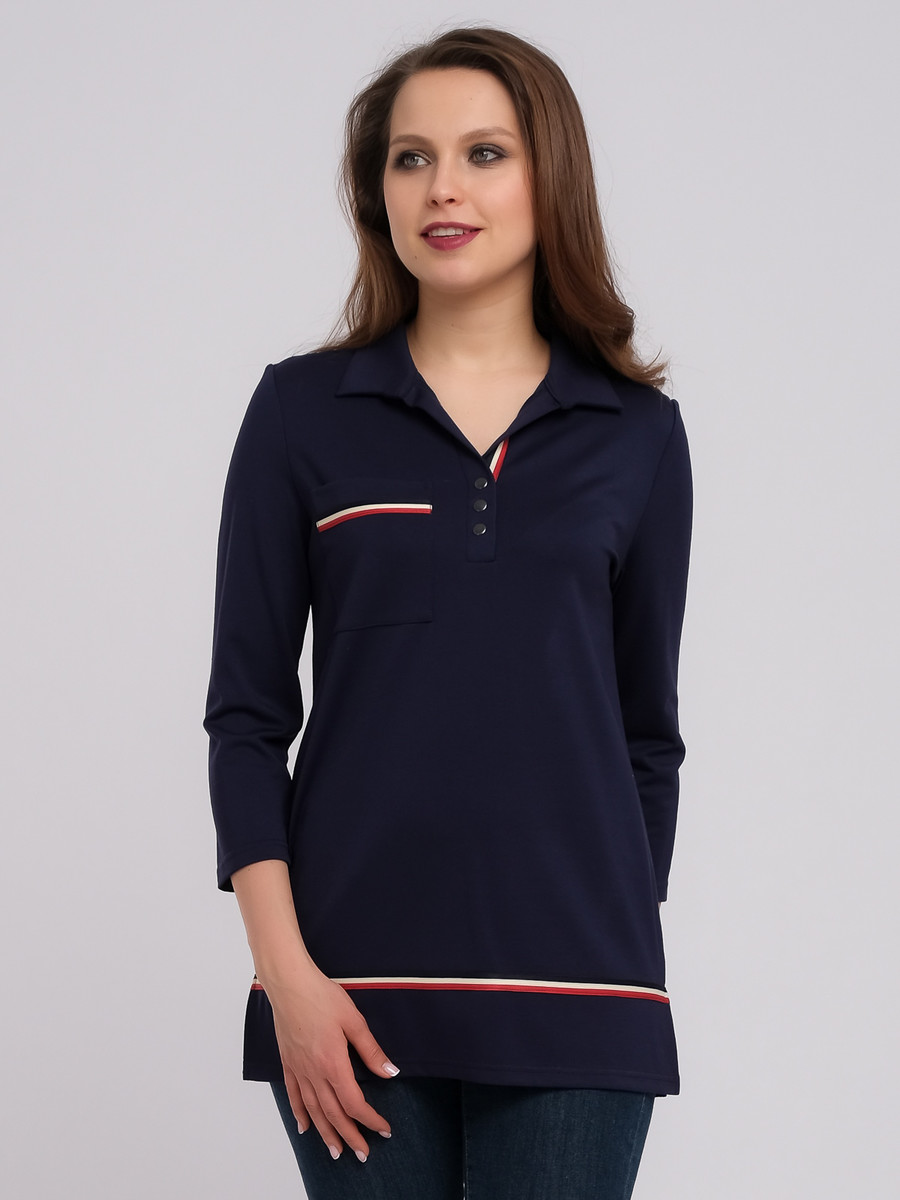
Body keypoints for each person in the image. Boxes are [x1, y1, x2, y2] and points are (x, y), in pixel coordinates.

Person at [203, 24, 692, 1200]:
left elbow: (645, 737)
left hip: (580, 993)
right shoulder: (301, 414)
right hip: (346, 994)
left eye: (484, 153)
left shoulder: (637, 436)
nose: (443, 188)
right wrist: (287, 978)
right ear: (377, 192)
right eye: (411, 158)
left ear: (548, 176)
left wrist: (603, 938)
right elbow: (246, 721)